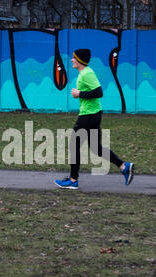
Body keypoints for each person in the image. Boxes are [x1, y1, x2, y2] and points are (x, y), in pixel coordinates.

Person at [55, 48, 134, 190]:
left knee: (74, 145)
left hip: (88, 115)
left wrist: (79, 93)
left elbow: (99, 92)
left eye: (74, 58)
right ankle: (123, 166)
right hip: (93, 114)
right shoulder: (85, 73)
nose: (72, 60)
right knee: (96, 148)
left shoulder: (87, 73)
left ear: (79, 61)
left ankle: (73, 180)